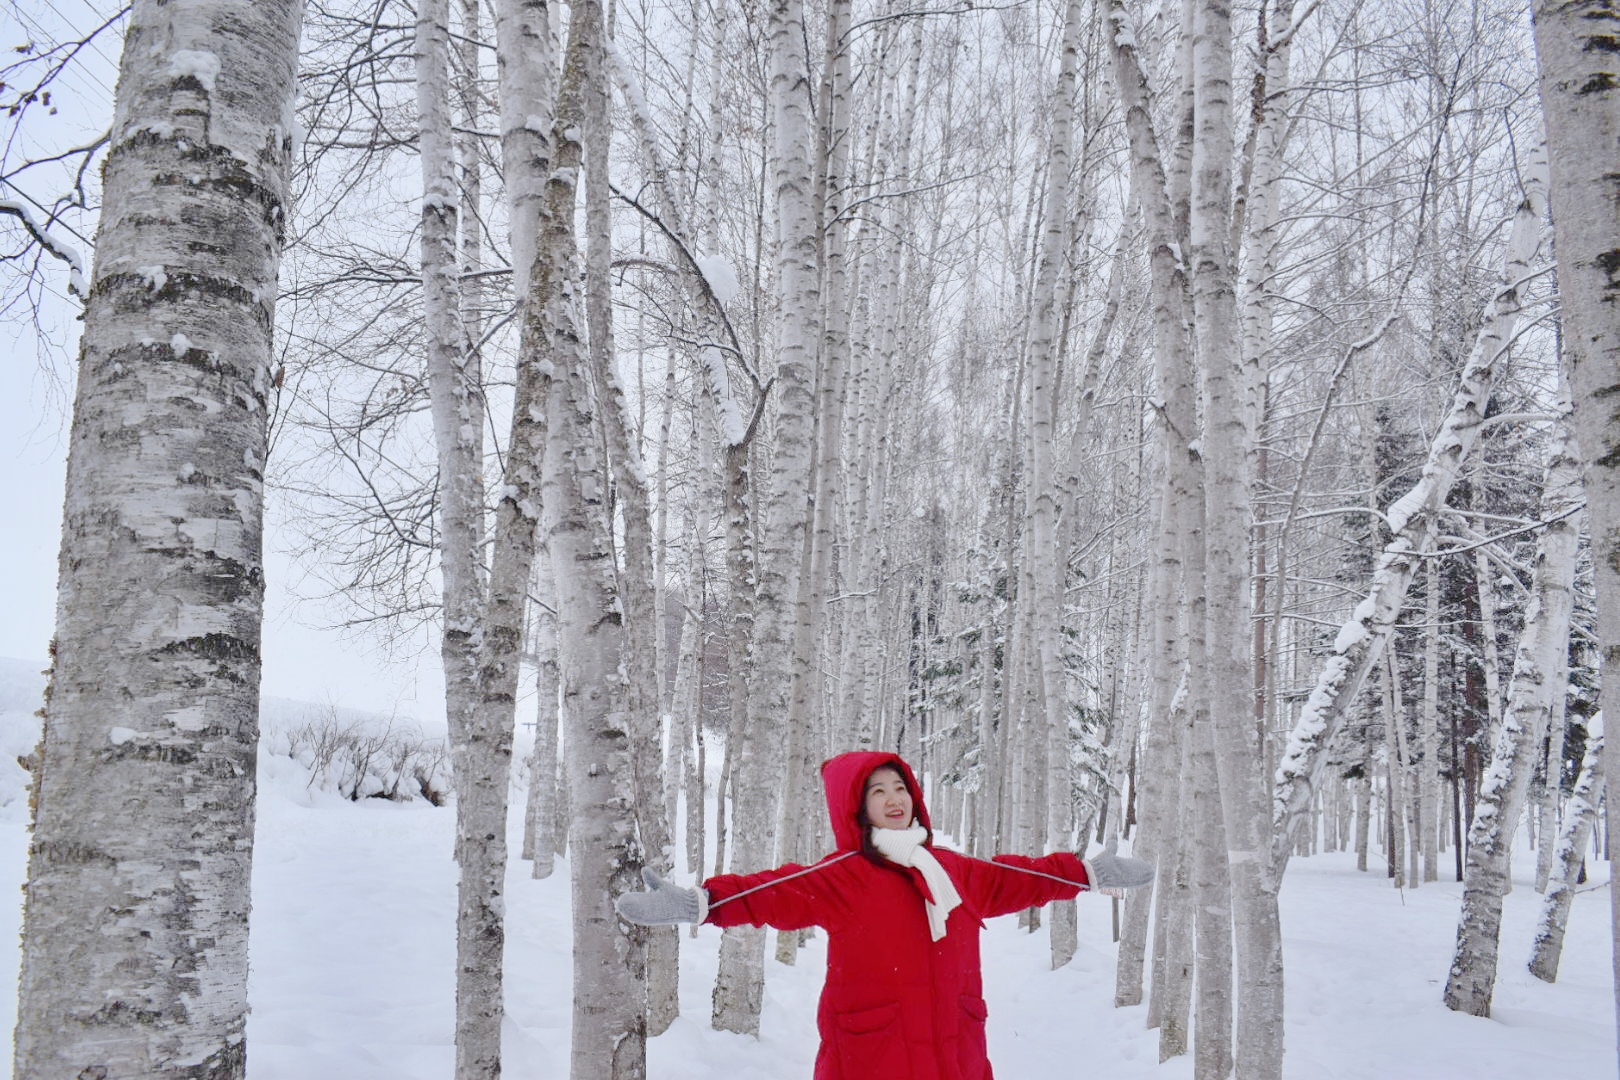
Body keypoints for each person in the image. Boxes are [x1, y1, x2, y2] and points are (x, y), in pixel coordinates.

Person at [614, 750, 1153, 1080]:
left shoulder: (953, 870)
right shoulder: (844, 875)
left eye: (901, 787)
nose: (895, 798)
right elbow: (770, 893)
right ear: (857, 806)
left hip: (956, 1047)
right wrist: (698, 903)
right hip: (875, 1053)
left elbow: (1023, 878)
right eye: (878, 791)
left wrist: (1088, 873)